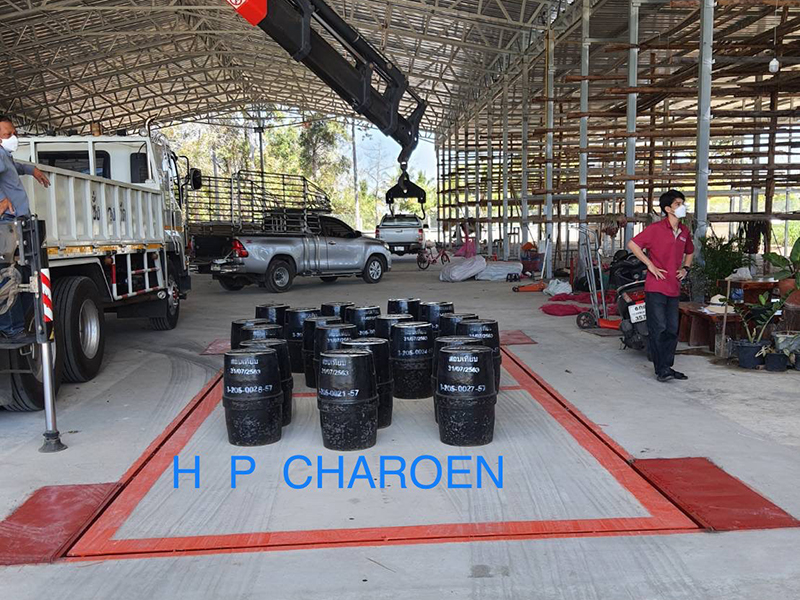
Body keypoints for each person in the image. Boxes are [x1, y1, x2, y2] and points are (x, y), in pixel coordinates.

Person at [627, 190, 694, 382]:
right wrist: (650, 265)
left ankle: (667, 366)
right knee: (659, 327)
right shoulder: (655, 229)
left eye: (683, 203)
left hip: (674, 287)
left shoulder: (684, 231)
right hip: (656, 286)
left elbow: (690, 251)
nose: (682, 207)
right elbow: (633, 244)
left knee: (672, 329)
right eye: (678, 204)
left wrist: (686, 268)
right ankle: (661, 369)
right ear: (667, 209)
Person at [0, 115, 50, 339]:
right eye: (8, 134)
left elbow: (14, 167)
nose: (13, 137)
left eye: (14, 133)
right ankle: (12, 329)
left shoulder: (5, 156)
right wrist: (1, 202)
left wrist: (31, 170)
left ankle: (16, 325)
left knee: (25, 275)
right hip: (7, 223)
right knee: (9, 277)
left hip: (17, 222)